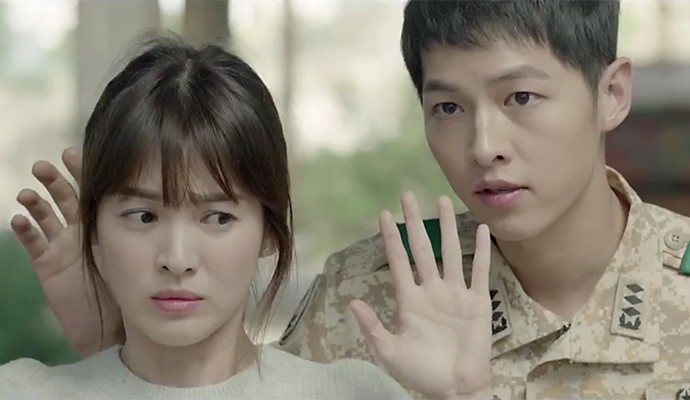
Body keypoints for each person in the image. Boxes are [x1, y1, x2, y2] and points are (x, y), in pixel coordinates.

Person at [10, 0, 690, 399]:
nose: (485, 145)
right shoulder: (361, 296)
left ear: (612, 93)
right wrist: (112, 341)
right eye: (448, 107)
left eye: (521, 98)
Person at [2, 35, 495, 399]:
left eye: (217, 218)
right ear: (94, 230)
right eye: (143, 215)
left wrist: (464, 396)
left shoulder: (353, 394)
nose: (177, 259)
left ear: (269, 231)